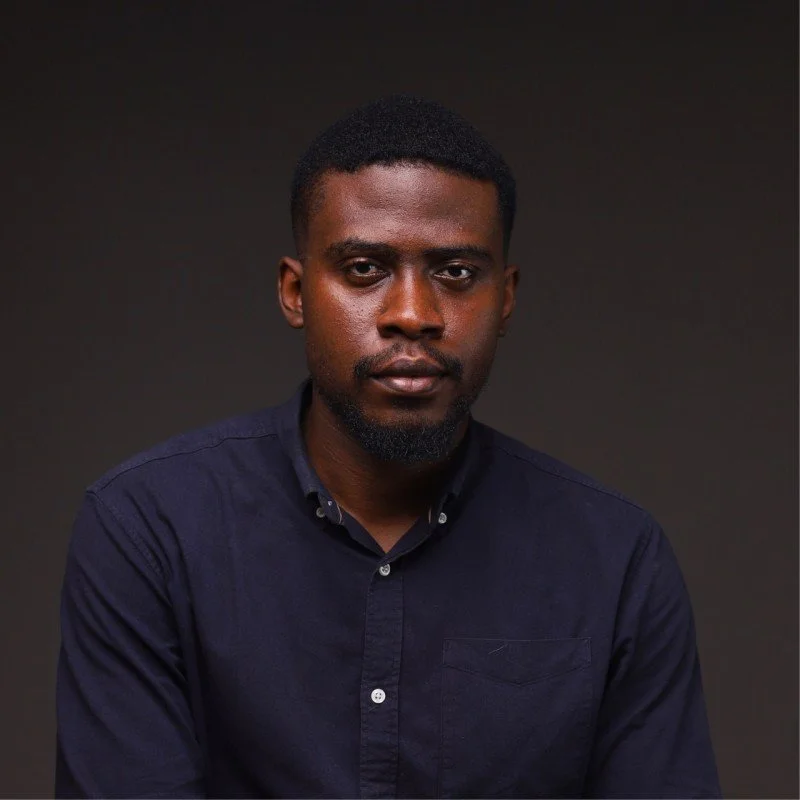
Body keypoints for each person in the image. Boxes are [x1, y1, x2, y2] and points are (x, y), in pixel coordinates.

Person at [56, 95, 721, 798]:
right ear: (295, 291)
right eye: (364, 268)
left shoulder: (616, 557)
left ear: (505, 299)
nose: (412, 314)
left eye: (455, 273)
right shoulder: (149, 530)